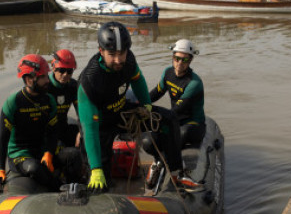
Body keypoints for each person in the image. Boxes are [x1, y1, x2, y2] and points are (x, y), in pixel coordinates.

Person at [77, 21, 202, 193]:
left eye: (122, 53)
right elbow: (89, 127)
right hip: (100, 124)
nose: (118, 59)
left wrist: (147, 107)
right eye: (112, 54)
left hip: (122, 111)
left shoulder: (128, 61)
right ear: (101, 51)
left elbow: (138, 80)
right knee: (100, 178)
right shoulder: (90, 81)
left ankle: (176, 174)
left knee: (168, 119)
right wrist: (96, 168)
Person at [0, 54, 59, 191]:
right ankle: (58, 189)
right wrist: (0, 169)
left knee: (72, 156)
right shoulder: (13, 103)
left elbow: (53, 132)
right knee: (34, 168)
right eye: (43, 77)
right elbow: (2, 139)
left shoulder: (49, 101)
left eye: (47, 76)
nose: (48, 80)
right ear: (29, 79)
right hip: (20, 155)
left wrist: (49, 153)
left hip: (41, 150)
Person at [149, 39, 206, 148]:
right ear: (173, 57)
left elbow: (179, 108)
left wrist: (154, 114)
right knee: (149, 141)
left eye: (184, 59)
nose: (180, 62)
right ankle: (159, 159)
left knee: (183, 133)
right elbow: (157, 92)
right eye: (177, 58)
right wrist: (141, 103)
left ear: (190, 60)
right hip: (175, 120)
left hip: (193, 124)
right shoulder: (167, 72)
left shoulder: (194, 83)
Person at [48, 49, 80, 148]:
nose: (65, 74)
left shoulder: (73, 86)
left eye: (69, 71)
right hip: (46, 132)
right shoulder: (44, 86)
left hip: (63, 127)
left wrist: (82, 132)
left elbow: (81, 112)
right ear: (53, 68)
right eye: (61, 70)